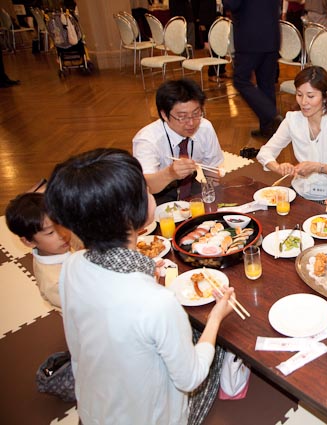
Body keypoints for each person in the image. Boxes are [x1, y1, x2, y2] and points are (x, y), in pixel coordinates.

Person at [44, 148, 235, 424]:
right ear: (131, 212)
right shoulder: (156, 302)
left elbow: (82, 341)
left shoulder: (72, 265)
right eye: (145, 189)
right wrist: (216, 318)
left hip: (93, 412)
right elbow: (191, 378)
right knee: (218, 347)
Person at [256, 66, 327, 201]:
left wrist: (318, 167)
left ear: (325, 96)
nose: (303, 102)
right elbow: (264, 153)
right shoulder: (292, 119)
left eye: (310, 96)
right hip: (302, 192)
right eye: (299, 95)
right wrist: (278, 168)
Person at [133, 78, 224, 203]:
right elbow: (146, 186)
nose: (191, 123)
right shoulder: (147, 140)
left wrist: (215, 198)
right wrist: (170, 173)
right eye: (182, 117)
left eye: (196, 113)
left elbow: (211, 169)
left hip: (190, 185)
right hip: (158, 193)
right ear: (164, 115)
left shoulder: (205, 127)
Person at [5, 192, 75, 311]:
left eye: (61, 224)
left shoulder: (58, 246)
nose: (62, 234)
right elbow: (83, 306)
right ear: (29, 242)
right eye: (50, 233)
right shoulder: (53, 283)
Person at [223, 0, 282, 139]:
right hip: (271, 36)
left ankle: (271, 115)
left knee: (240, 80)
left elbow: (231, 4)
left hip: (250, 39)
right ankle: (268, 128)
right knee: (266, 84)